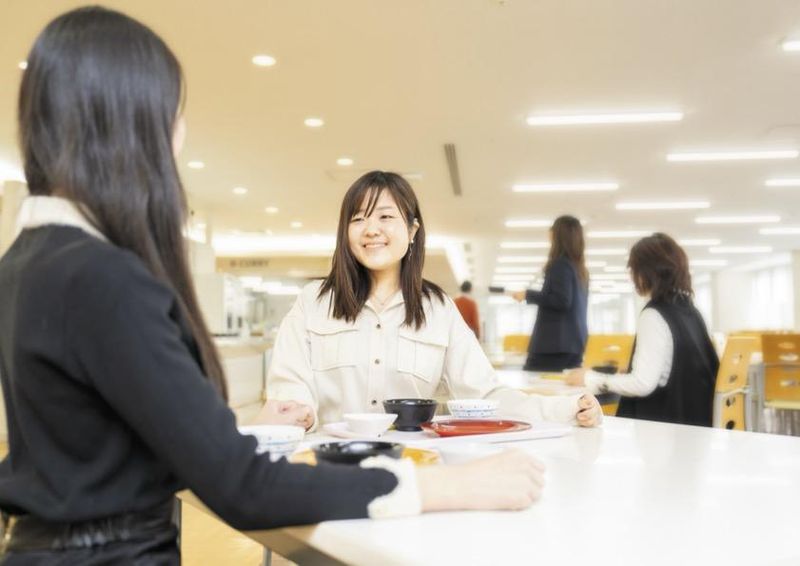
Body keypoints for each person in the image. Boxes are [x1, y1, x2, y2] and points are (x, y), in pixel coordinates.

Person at [0, 8, 546, 564]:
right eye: (171, 115)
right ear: (127, 123)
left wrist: (233, 434)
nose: (178, 138)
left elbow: (94, 452)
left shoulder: (26, 262)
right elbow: (241, 484)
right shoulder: (104, 280)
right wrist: (446, 486)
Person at [266, 171, 603, 429]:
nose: (371, 229)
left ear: (412, 231)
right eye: (357, 218)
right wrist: (297, 415)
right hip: (329, 467)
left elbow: (485, 395)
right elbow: (289, 391)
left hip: (413, 465)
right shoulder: (312, 302)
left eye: (385, 217)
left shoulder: (438, 308)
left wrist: (563, 408)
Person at [565, 233, 719, 426]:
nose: (631, 276)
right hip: (696, 424)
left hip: (661, 427)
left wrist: (591, 378)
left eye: (633, 269)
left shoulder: (654, 314)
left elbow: (643, 383)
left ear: (645, 272)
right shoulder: (691, 311)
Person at [511, 215, 589, 372]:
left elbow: (562, 300)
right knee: (562, 387)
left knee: (531, 383)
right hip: (574, 344)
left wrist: (527, 295)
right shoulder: (580, 270)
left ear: (558, 235)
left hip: (553, 346)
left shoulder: (560, 265)